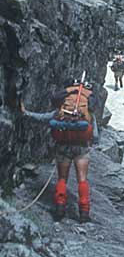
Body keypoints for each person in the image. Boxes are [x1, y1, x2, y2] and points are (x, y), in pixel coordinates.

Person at [20, 77, 99, 223]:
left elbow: (43, 118)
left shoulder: (61, 111)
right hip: (81, 147)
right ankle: (84, 212)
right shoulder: (87, 112)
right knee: (82, 179)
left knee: (62, 178)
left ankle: (60, 207)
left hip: (63, 146)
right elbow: (95, 136)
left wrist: (25, 113)